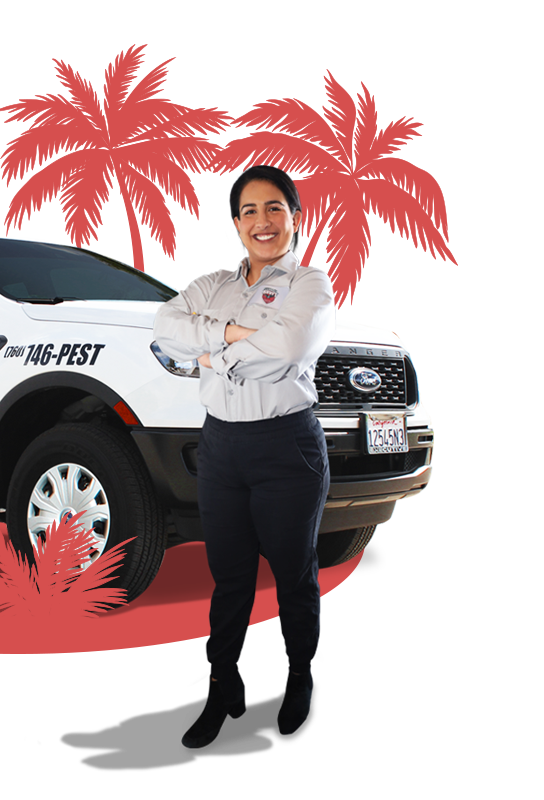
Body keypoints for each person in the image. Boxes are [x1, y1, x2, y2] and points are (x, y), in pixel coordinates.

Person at [153, 165, 334, 747]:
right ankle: (223, 687)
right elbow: (162, 328)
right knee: (228, 578)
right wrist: (238, 335)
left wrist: (209, 349)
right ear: (234, 223)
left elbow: (286, 350)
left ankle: (300, 677)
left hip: (287, 447)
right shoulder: (209, 284)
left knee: (293, 575)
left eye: (275, 208)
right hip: (222, 447)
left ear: (296, 219)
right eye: (250, 211)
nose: (263, 221)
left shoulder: (313, 286)